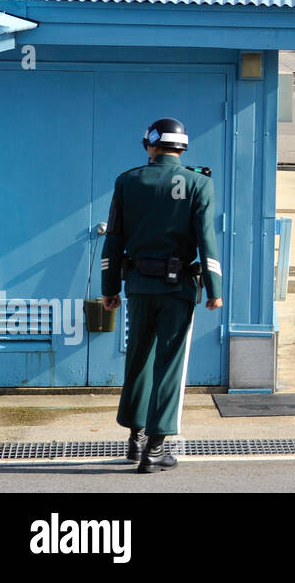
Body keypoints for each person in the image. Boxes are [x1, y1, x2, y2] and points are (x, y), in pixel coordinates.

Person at [102, 117, 223, 473]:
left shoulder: (127, 181)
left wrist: (109, 289)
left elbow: (114, 239)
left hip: (138, 286)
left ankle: (135, 438)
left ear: (150, 145)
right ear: (182, 147)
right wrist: (214, 289)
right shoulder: (199, 182)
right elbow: (206, 239)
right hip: (177, 288)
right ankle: (155, 450)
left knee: (137, 358)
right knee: (168, 364)